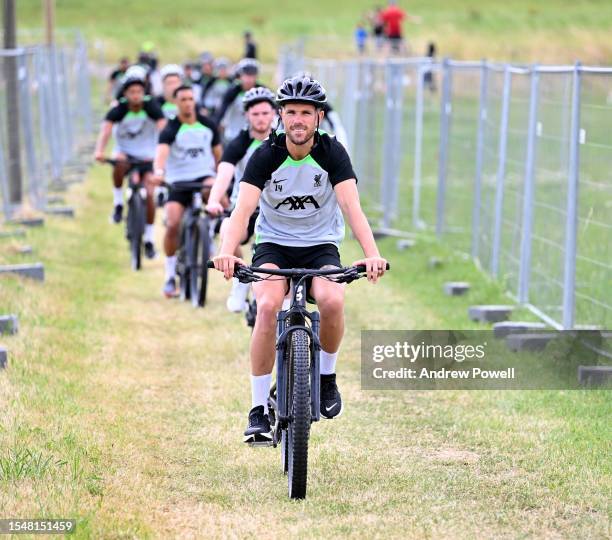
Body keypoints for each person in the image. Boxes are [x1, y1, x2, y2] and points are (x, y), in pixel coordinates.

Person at [211, 76, 388, 443]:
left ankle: (326, 379)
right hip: (274, 244)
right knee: (266, 306)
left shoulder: (332, 152)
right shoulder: (265, 154)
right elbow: (242, 210)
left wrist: (372, 255)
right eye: (290, 112)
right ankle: (258, 409)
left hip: (320, 244)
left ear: (318, 117)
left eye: (305, 113)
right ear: (281, 115)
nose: (298, 120)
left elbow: (351, 207)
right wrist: (228, 252)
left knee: (332, 299)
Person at [206, 87, 277, 312]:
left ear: (275, 114)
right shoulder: (240, 142)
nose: (261, 119)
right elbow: (224, 173)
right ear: (246, 115)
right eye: (255, 114)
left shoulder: (284, 141)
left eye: (266, 113)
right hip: (245, 207)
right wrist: (214, 199)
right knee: (227, 229)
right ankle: (240, 280)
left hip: (278, 210)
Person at [152, 85, 223, 298]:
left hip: (203, 176)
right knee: (173, 223)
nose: (188, 103)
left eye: (191, 98)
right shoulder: (170, 129)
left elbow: (220, 157)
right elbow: (161, 154)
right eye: (183, 99)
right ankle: (169, 275)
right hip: (178, 181)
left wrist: (224, 179)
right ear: (176, 103)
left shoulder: (208, 125)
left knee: (213, 190)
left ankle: (209, 234)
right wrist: (158, 171)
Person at [94, 75, 165, 259]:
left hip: (147, 158)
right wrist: (99, 151)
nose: (136, 96)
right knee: (118, 161)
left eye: (139, 92)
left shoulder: (151, 107)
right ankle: (118, 203)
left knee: (149, 194)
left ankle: (149, 239)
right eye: (132, 92)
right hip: (125, 153)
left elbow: (164, 129)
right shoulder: (119, 109)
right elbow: (106, 130)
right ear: (125, 93)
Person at [213, 58, 263, 144]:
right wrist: (216, 125)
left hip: (254, 137)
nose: (249, 79)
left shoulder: (262, 91)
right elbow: (222, 110)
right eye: (246, 75)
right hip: (233, 135)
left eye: (252, 75)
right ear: (240, 76)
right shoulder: (232, 91)